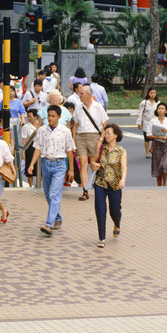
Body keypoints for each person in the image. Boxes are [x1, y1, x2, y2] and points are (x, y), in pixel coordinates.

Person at [28, 105, 76, 236]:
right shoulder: (42, 130)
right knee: (48, 194)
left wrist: (71, 169)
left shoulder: (65, 131)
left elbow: (70, 151)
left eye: (53, 116)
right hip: (45, 164)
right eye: (49, 116)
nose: (50, 118)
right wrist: (32, 165)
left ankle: (49, 224)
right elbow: (37, 148)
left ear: (59, 117)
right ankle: (58, 217)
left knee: (54, 194)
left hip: (59, 165)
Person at [92, 123, 127, 248]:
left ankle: (117, 224)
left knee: (115, 210)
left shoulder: (121, 151)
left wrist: (123, 180)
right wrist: (95, 165)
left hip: (115, 184)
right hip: (100, 182)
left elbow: (124, 167)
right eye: (105, 133)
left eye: (109, 133)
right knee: (100, 210)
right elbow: (93, 161)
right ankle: (102, 238)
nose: (106, 136)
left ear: (116, 135)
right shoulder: (101, 148)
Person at [71, 84, 108, 199]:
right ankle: (85, 190)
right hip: (81, 137)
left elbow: (105, 125)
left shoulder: (98, 107)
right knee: (83, 163)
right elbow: (75, 125)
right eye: (79, 93)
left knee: (93, 163)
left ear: (88, 95)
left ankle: (98, 189)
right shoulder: (78, 107)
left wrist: (101, 139)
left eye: (81, 93)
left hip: (94, 136)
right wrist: (73, 140)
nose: (79, 95)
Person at [148, 101, 167, 186]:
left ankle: (164, 184)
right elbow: (149, 135)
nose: (160, 110)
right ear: (157, 110)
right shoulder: (153, 121)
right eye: (159, 108)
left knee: (164, 165)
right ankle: (159, 185)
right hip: (157, 144)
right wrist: (159, 137)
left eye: (162, 109)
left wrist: (166, 131)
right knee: (157, 166)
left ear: (166, 111)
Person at [21, 107, 42, 187]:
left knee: (40, 168)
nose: (29, 118)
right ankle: (30, 185)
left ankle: (37, 185)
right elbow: (24, 140)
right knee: (29, 165)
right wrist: (23, 152)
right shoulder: (26, 127)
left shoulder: (41, 126)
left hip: (39, 146)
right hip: (29, 147)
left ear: (36, 116)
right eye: (28, 116)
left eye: (31, 116)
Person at [136, 88, 158, 160]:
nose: (153, 95)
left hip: (155, 123)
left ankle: (152, 148)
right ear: (148, 94)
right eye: (151, 93)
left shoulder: (158, 103)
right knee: (146, 138)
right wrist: (139, 123)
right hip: (146, 122)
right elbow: (140, 113)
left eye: (154, 93)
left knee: (155, 137)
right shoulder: (144, 102)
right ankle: (147, 152)